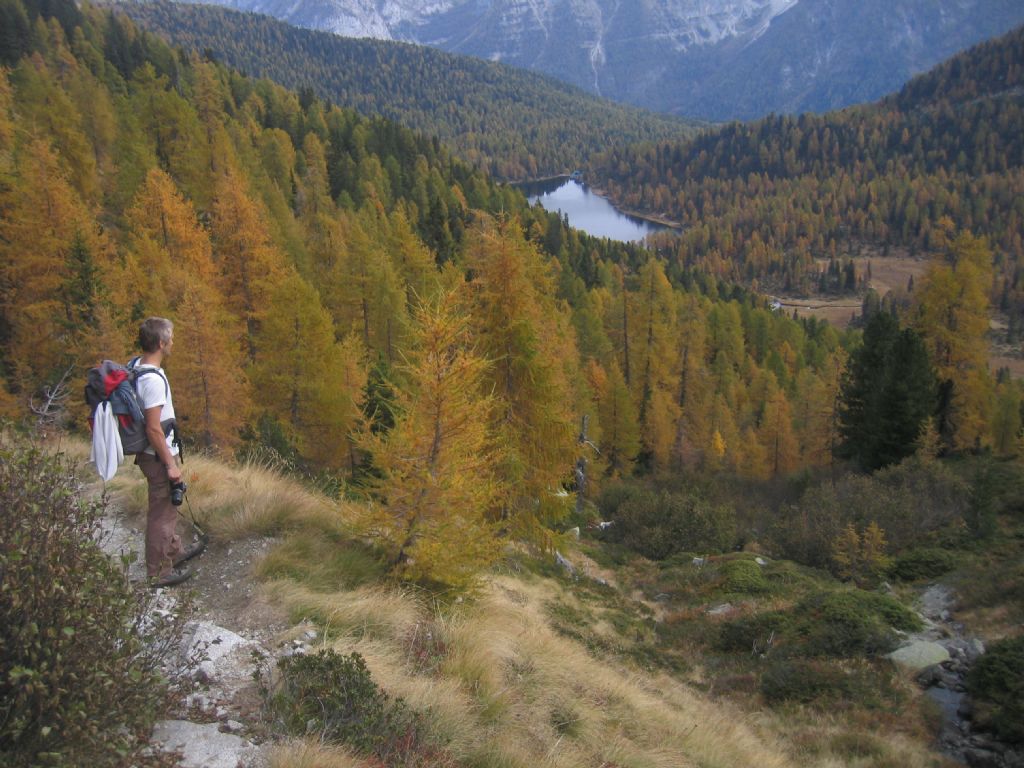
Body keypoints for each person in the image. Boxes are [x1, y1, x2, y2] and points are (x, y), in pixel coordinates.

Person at [133, 317, 200, 587]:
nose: (173, 341)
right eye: (170, 337)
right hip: (157, 454)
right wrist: (170, 464)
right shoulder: (153, 381)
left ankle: (173, 552)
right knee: (162, 511)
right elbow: (153, 428)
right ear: (161, 343)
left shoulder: (139, 367)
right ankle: (159, 573)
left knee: (168, 508)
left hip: (153, 453)